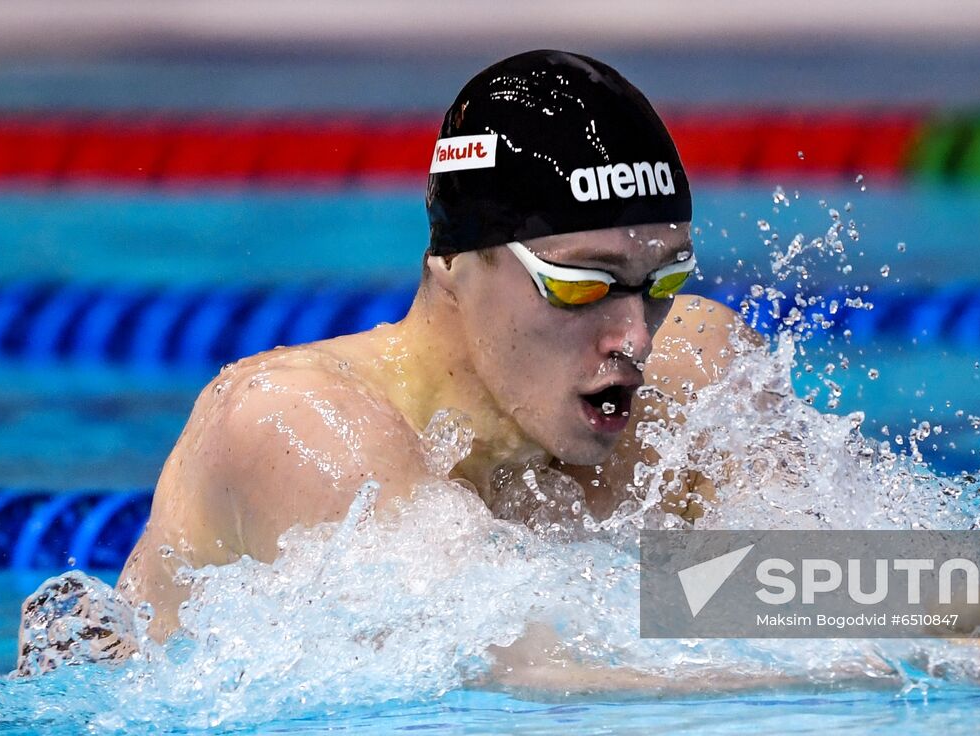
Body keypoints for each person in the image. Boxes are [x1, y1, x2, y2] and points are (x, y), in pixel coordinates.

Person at [117, 49, 749, 647]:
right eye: (580, 285)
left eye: (663, 281)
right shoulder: (297, 425)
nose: (636, 336)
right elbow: (523, 671)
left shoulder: (694, 369)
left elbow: (835, 593)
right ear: (455, 264)